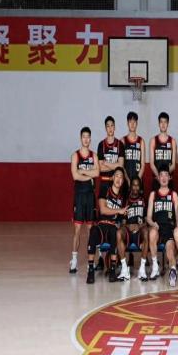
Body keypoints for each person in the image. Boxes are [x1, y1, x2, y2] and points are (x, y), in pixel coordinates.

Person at [86, 167, 127, 284]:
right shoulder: (105, 189)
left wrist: (123, 220)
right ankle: (90, 270)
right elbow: (103, 209)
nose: (119, 179)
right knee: (93, 231)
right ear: (113, 178)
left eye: (121, 177)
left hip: (112, 227)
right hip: (101, 224)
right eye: (117, 176)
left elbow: (123, 217)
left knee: (115, 233)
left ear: (123, 181)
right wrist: (119, 210)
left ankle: (112, 269)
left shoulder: (123, 197)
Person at [69, 126, 100, 273]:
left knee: (90, 229)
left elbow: (97, 173)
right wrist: (89, 175)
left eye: (88, 137)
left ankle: (90, 261)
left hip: (90, 196)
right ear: (80, 138)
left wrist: (82, 171)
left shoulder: (94, 155)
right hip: (79, 196)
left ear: (90, 139)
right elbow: (75, 176)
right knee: (77, 229)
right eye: (84, 137)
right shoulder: (75, 155)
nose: (86, 139)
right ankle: (74, 260)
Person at [146, 165, 178, 286]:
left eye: (166, 175)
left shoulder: (173, 194)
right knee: (152, 233)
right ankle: (155, 266)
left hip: (169, 228)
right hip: (157, 226)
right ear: (158, 178)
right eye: (161, 175)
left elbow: (177, 217)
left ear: (170, 178)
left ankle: (173, 271)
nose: (164, 178)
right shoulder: (153, 194)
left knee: (170, 250)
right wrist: (153, 223)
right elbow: (148, 217)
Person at [116, 176, 148, 281]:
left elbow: (146, 220)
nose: (135, 187)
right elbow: (122, 221)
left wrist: (139, 226)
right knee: (118, 233)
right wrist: (128, 226)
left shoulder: (143, 200)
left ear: (140, 187)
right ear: (130, 187)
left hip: (140, 231)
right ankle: (124, 269)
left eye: (137, 185)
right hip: (128, 231)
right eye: (134, 185)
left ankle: (142, 269)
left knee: (146, 232)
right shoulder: (126, 200)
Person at [97, 116, 124, 195]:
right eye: (108, 126)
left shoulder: (120, 144)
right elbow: (100, 168)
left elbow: (121, 166)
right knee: (102, 203)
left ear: (114, 127)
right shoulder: (101, 144)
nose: (110, 128)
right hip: (104, 182)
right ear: (105, 128)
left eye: (112, 125)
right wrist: (115, 165)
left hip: (116, 183)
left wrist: (106, 163)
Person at [150, 112, 176, 191]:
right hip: (156, 179)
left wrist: (165, 176)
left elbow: (173, 164)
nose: (163, 124)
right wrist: (159, 176)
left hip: (169, 180)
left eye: (165, 122)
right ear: (158, 124)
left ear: (168, 124)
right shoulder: (153, 140)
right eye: (161, 122)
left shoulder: (172, 141)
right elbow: (151, 164)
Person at [122, 111, 146, 186]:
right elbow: (121, 164)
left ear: (137, 123)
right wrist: (128, 180)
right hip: (126, 180)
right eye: (130, 122)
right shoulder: (123, 141)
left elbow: (143, 164)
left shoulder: (141, 141)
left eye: (134, 122)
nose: (132, 124)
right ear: (127, 123)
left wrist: (136, 181)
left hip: (138, 180)